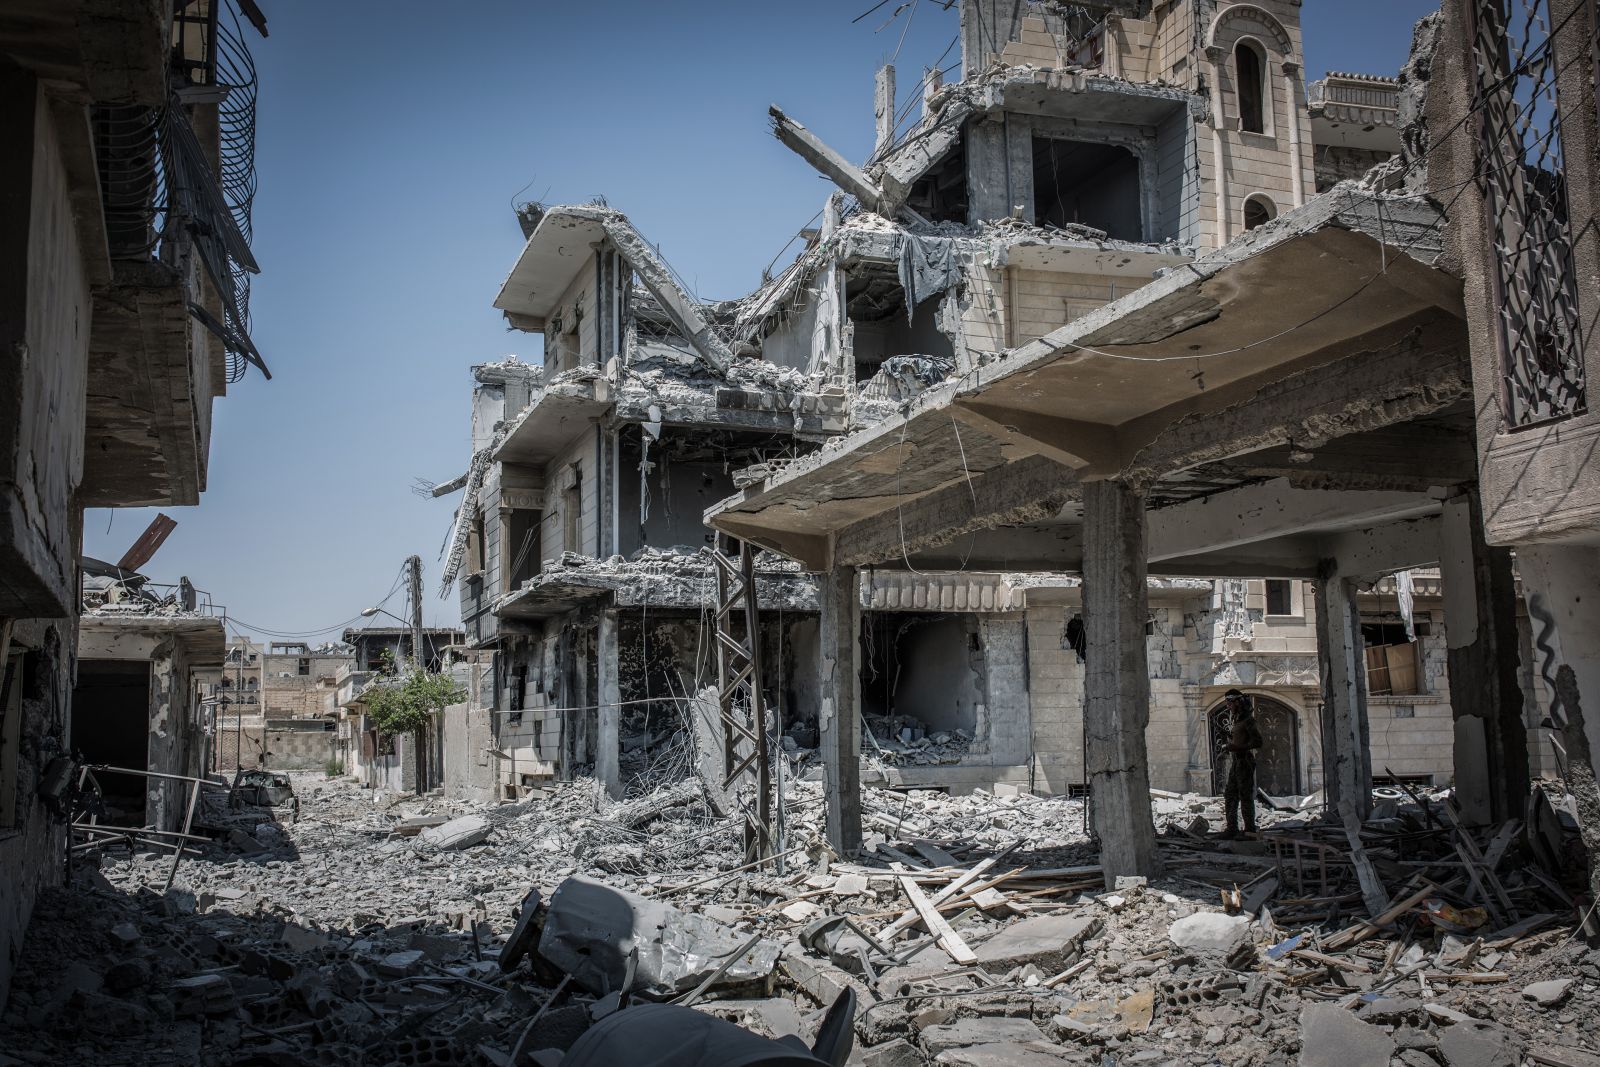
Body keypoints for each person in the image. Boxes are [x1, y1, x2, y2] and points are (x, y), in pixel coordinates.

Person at [1221, 689, 1262, 838]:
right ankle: (1232, 828)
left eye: (1230, 702)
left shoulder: (1248, 721)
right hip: (1236, 761)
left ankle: (1249, 830)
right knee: (1230, 794)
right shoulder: (1237, 720)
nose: (1228, 706)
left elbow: (1258, 742)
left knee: (1245, 795)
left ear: (1238, 702)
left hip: (1245, 761)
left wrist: (1237, 747)